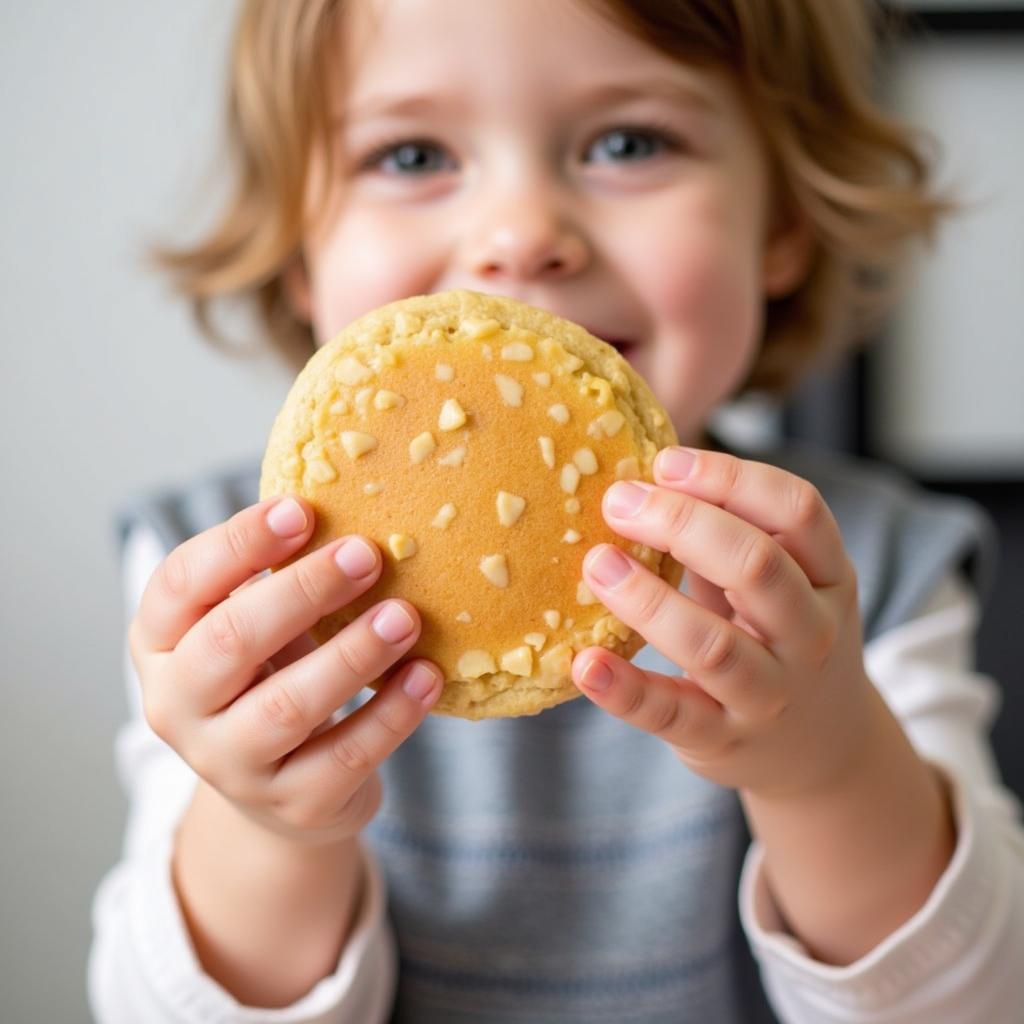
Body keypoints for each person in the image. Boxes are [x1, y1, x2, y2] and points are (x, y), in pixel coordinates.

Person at [88, 1, 1024, 1021]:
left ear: (783, 221)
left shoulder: (862, 573)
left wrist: (832, 767)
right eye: (409, 155)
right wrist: (267, 826)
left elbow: (974, 1003)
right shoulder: (226, 591)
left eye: (628, 142)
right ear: (299, 250)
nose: (521, 236)